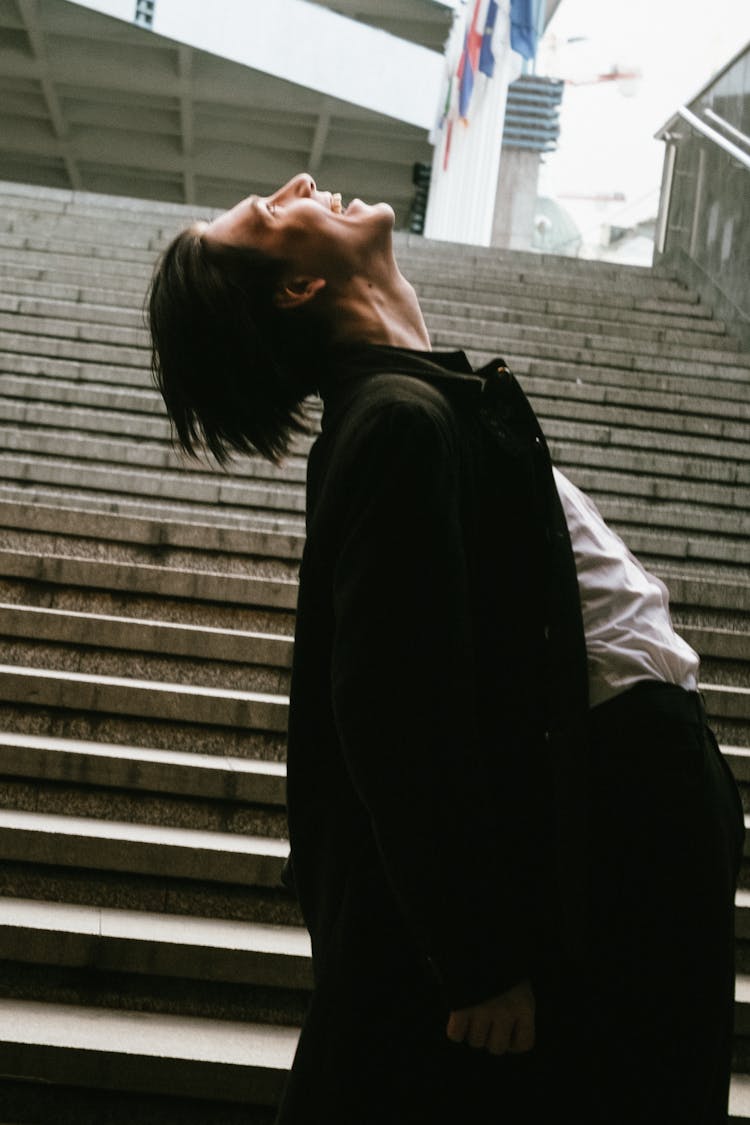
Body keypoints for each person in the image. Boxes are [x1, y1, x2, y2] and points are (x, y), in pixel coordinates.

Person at [147, 173, 745, 1124]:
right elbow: (391, 705)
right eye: (267, 213)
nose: (298, 185)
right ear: (298, 288)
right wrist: (478, 958)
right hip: (617, 835)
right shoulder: (395, 422)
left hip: (626, 813)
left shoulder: (418, 406)